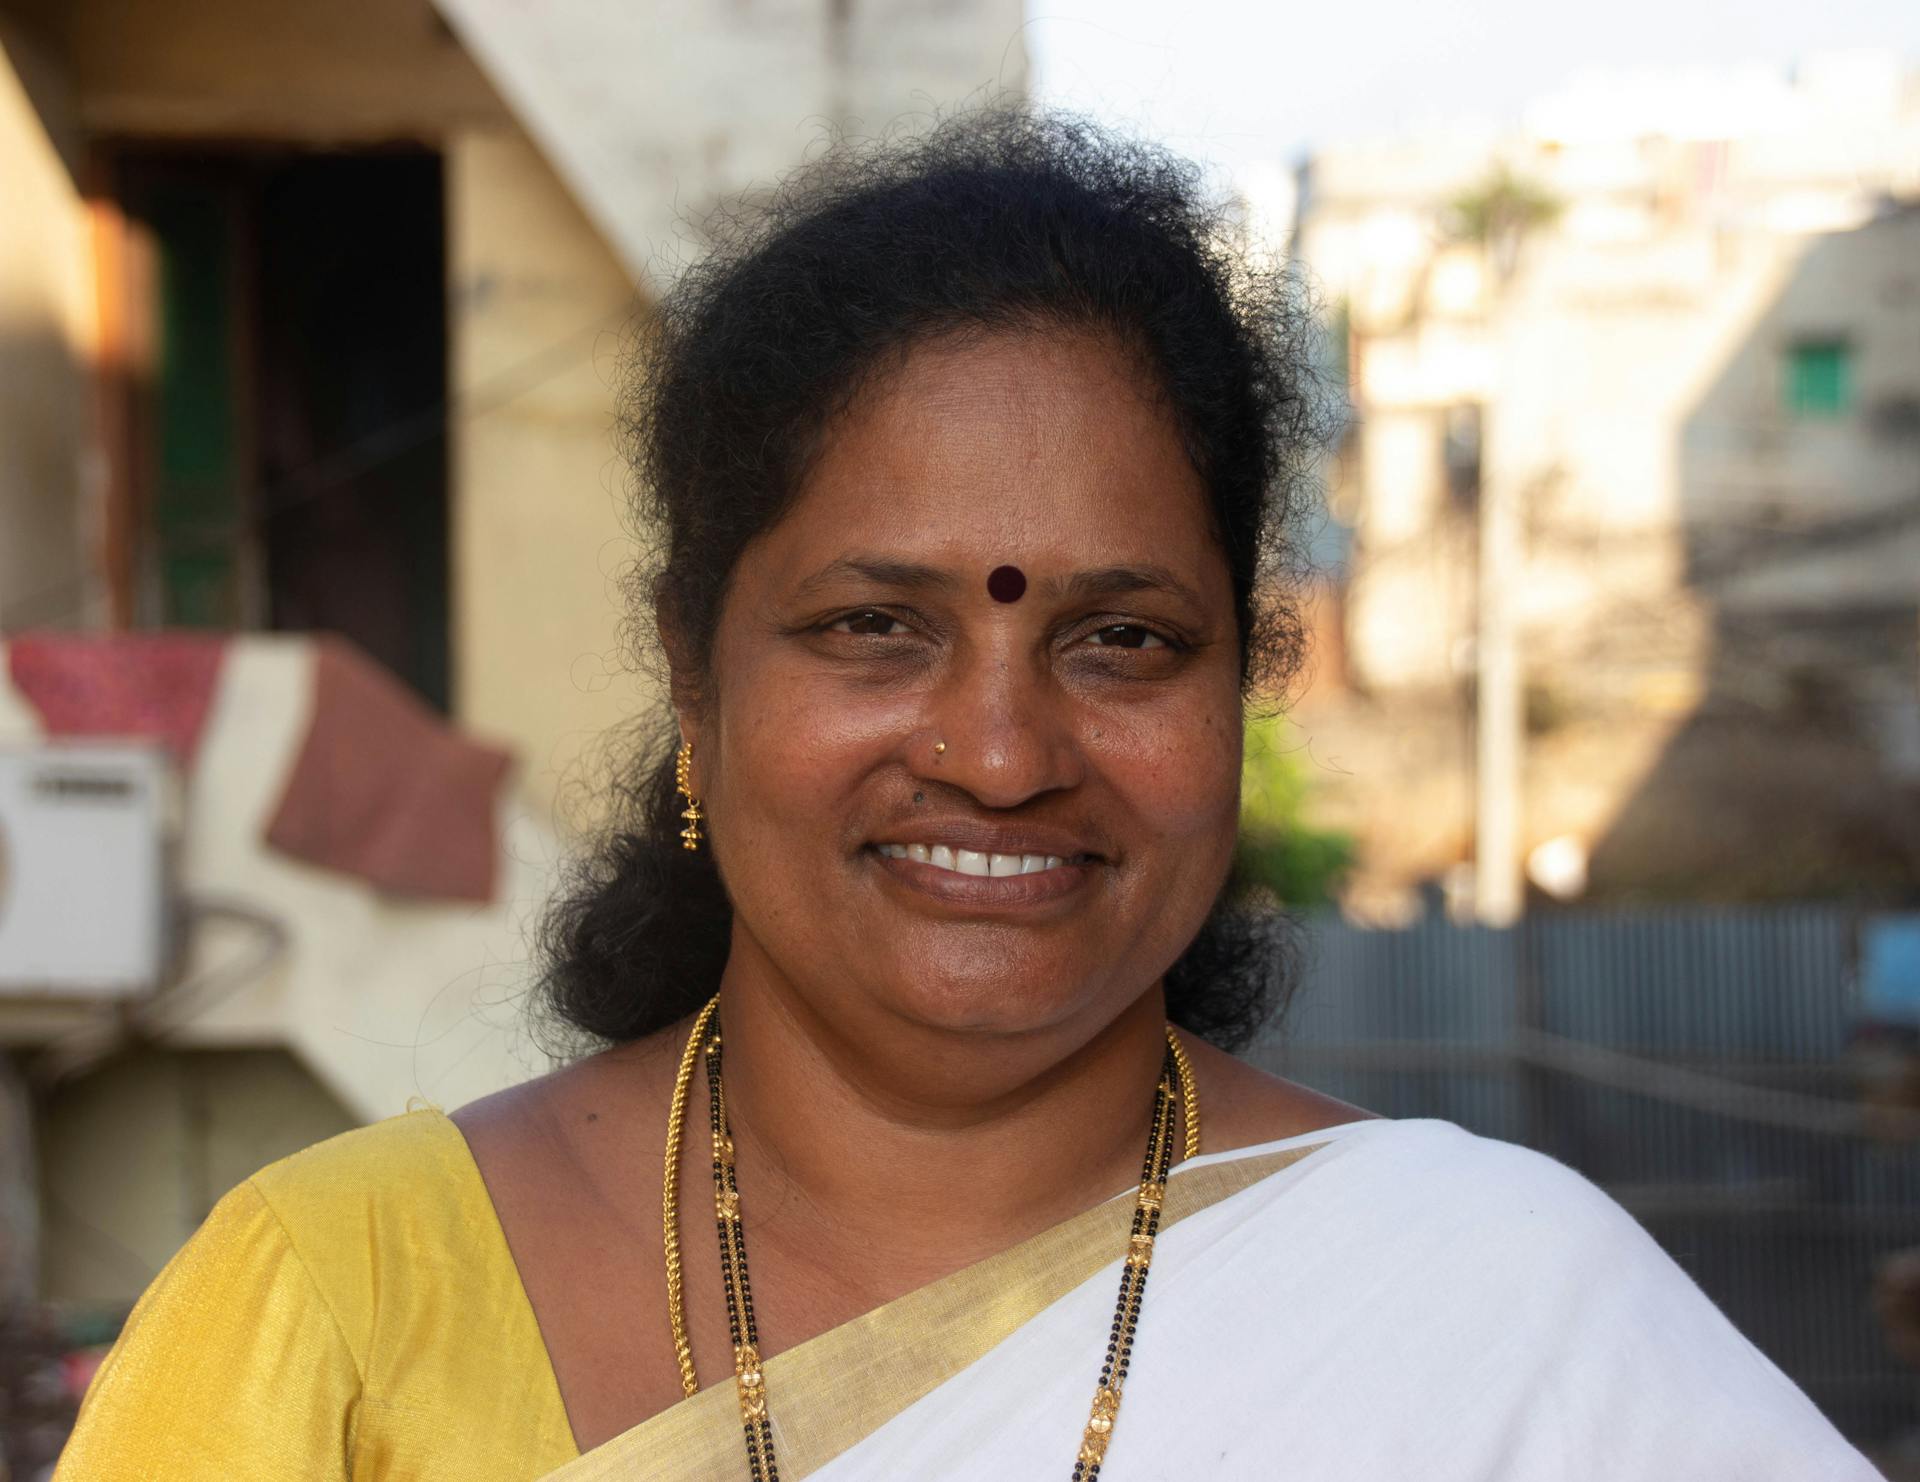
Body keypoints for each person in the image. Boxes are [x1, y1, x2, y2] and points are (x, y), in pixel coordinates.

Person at [56, 108, 1875, 1481]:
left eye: (1123, 641)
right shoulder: (339, 1313)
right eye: (874, 626)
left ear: (1246, 682)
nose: (1001, 755)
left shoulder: (1499, 1319)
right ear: (693, 669)